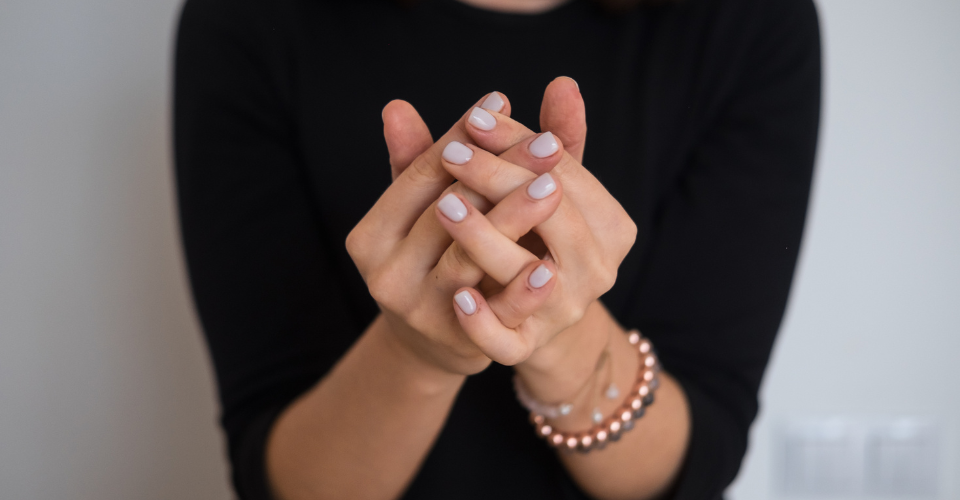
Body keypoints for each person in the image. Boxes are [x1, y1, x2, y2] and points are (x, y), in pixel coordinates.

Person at [173, 0, 821, 498]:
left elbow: (699, 453)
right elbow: (279, 473)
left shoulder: (748, 22)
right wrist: (418, 351)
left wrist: (558, 335)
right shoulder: (248, 17)